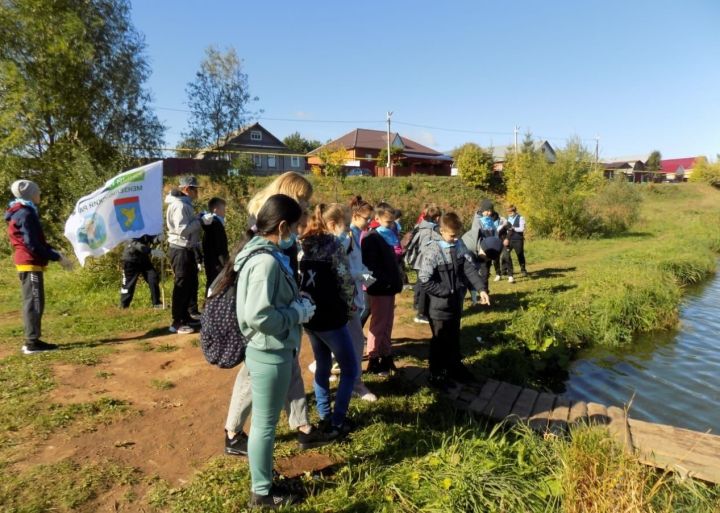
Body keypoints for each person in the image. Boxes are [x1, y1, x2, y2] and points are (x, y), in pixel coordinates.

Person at [224, 172, 330, 457]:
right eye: (304, 200)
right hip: (266, 312)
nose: (307, 207)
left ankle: (302, 425)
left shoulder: (279, 225)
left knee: (289, 361)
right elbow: (259, 313)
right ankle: (235, 434)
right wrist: (294, 311)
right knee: (255, 372)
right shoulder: (272, 222)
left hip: (280, 303)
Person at [228, 194, 314, 508]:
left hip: (267, 350)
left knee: (264, 424)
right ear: (281, 226)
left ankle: (262, 485)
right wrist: (297, 314)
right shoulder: (265, 261)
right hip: (270, 352)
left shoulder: (262, 253)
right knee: (264, 427)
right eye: (294, 227)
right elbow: (259, 316)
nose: (297, 233)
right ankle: (262, 493)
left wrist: (294, 301)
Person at [299, 203, 358, 434]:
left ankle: (324, 414)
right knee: (350, 368)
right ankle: (337, 421)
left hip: (310, 314)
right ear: (333, 224)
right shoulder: (333, 245)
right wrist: (351, 306)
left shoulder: (305, 242)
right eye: (345, 225)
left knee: (323, 364)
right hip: (331, 316)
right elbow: (344, 280)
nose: (346, 231)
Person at [419, 213, 491, 391]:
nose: (456, 238)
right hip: (438, 306)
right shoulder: (433, 250)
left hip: (455, 303)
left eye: (457, 234)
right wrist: (445, 291)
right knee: (439, 342)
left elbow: (468, 268)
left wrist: (481, 289)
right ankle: (436, 374)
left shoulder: (458, 245)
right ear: (442, 231)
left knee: (453, 338)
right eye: (452, 235)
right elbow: (424, 279)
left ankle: (455, 368)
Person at [5, 180, 74, 354]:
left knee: (35, 301)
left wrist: (53, 251)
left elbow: (36, 241)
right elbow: (32, 244)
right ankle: (31, 343)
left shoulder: (22, 211)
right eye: (37, 191)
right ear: (30, 194)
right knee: (34, 302)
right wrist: (56, 257)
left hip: (29, 262)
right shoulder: (25, 213)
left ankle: (32, 339)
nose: (40, 194)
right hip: (29, 262)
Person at [361, 203, 403, 375]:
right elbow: (368, 267)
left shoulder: (390, 235)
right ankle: (373, 357)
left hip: (390, 287)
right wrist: (379, 284)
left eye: (392, 221)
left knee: (387, 323)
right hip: (379, 289)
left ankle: (386, 355)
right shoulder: (372, 238)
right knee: (378, 324)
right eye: (387, 222)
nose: (391, 225)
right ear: (377, 219)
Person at [165, 176, 209, 334]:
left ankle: (185, 317)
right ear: (186, 189)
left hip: (187, 248)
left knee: (190, 283)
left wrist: (197, 218)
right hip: (180, 249)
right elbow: (182, 229)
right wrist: (200, 222)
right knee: (182, 285)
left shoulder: (184, 204)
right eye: (194, 189)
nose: (197, 192)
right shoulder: (179, 205)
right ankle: (176, 322)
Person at [347, 196, 378, 401]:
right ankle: (356, 384)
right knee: (356, 342)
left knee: (352, 341)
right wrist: (361, 275)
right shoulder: (347, 237)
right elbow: (345, 267)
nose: (370, 222)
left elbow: (357, 264)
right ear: (356, 215)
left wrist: (366, 273)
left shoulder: (357, 234)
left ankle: (350, 380)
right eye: (367, 218)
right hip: (349, 297)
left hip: (355, 293)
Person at [405, 204, 442, 324]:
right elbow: (425, 248)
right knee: (424, 287)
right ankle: (421, 314)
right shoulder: (428, 230)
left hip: (420, 262)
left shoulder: (422, 225)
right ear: (436, 217)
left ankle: (420, 308)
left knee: (420, 285)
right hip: (424, 262)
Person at [120, 234, 163, 308]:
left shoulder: (145, 226)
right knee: (129, 284)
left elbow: (151, 238)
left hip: (143, 259)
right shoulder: (129, 229)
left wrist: (159, 238)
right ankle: (124, 306)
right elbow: (135, 244)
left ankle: (156, 303)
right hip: (130, 259)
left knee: (153, 278)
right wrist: (151, 251)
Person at [201, 197, 229, 294]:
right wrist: (226, 263)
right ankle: (211, 306)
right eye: (223, 209)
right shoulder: (216, 224)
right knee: (216, 285)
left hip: (210, 260)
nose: (225, 212)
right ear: (215, 209)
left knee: (211, 284)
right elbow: (220, 247)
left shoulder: (210, 223)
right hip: (217, 262)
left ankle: (208, 306)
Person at [505, 204, 528, 280]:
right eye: (508, 212)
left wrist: (513, 228)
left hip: (518, 239)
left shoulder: (521, 218)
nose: (509, 214)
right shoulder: (508, 218)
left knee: (520, 255)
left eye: (510, 212)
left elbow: (521, 229)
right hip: (509, 239)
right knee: (506, 254)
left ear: (514, 211)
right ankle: (506, 270)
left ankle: (523, 270)